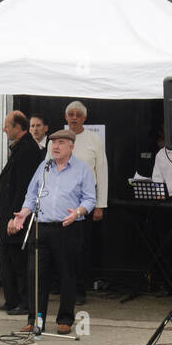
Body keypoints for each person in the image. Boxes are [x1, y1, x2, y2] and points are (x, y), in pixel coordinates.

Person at [8, 130, 96, 335]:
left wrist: (78, 212)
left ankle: (65, 319)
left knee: (67, 275)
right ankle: (35, 320)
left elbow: (90, 199)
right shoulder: (44, 167)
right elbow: (31, 194)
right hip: (41, 228)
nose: (55, 147)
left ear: (71, 146)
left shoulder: (82, 169)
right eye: (53, 143)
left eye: (61, 143)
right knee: (36, 276)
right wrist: (23, 213)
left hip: (68, 228)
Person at [0, 110, 45, 315]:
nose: (4, 129)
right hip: (8, 215)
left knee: (19, 260)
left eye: (7, 125)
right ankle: (12, 299)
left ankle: (24, 302)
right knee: (8, 258)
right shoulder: (19, 148)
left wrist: (15, 217)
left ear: (18, 128)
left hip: (17, 217)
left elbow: (24, 188)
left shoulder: (27, 150)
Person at [65, 100, 108, 304]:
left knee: (81, 248)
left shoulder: (94, 139)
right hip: (62, 202)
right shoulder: (58, 138)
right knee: (62, 247)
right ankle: (64, 287)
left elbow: (102, 171)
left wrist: (100, 204)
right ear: (66, 117)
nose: (74, 118)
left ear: (84, 118)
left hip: (86, 202)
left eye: (77, 115)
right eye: (70, 114)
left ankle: (79, 290)